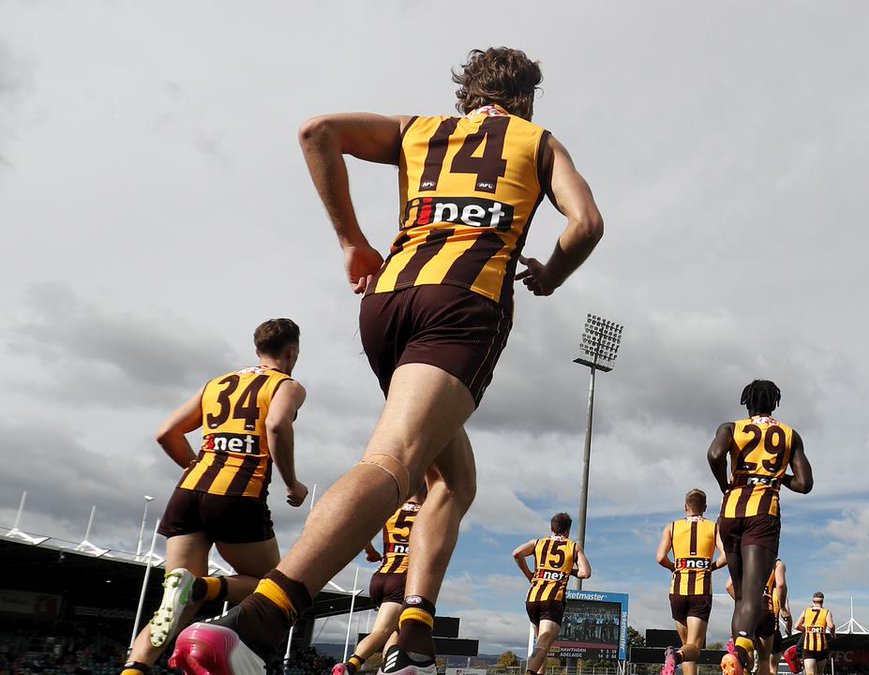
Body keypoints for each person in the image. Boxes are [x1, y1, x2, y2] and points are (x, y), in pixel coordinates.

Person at [171, 46, 603, 675]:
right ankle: (258, 621)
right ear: (527, 98)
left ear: (467, 94)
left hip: (387, 303)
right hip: (462, 303)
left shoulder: (417, 131)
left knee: (453, 483)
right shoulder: (536, 140)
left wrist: (352, 241)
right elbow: (585, 222)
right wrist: (553, 273)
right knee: (394, 460)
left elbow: (317, 132)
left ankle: (416, 636)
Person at [119, 319, 308, 675]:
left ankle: (134, 668)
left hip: (188, 493)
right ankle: (203, 588)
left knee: (172, 608)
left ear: (257, 349)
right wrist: (292, 484)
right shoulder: (287, 385)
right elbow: (277, 425)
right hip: (238, 495)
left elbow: (165, 432)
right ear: (292, 351)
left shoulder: (217, 383)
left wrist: (197, 464)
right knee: (271, 586)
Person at [708, 380, 813, 675]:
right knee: (754, 592)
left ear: (747, 403)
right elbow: (805, 483)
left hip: (730, 510)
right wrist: (777, 478)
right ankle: (740, 649)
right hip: (763, 513)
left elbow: (715, 455)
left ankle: (737, 654)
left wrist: (725, 483)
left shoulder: (730, 428)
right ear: (775, 404)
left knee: (741, 595)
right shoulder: (790, 435)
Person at [331, 483, 428, 675]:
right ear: (426, 491)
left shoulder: (392, 510)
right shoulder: (426, 513)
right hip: (402, 579)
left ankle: (386, 669)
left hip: (381, 576)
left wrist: (371, 551)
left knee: (396, 632)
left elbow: (362, 531)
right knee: (381, 631)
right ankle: (349, 666)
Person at [655, 489, 727, 675]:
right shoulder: (713, 527)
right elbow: (725, 556)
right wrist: (712, 566)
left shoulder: (672, 526)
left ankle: (677, 656)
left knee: (687, 646)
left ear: (685, 507)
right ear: (704, 507)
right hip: (700, 592)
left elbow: (660, 557)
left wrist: (673, 567)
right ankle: (675, 657)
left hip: (677, 591)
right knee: (693, 648)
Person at [514, 513, 592, 675]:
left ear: (551, 528)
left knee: (542, 646)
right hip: (553, 599)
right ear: (568, 531)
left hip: (533, 598)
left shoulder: (538, 543)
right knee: (543, 645)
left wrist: (530, 574)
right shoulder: (573, 546)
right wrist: (568, 570)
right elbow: (585, 573)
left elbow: (517, 553)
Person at [726, 559, 789, 675]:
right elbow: (780, 585)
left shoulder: (744, 560)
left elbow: (729, 585)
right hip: (766, 611)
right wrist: (784, 608)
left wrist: (743, 602)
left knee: (743, 660)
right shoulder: (776, 564)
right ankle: (747, 656)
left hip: (746, 612)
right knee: (764, 660)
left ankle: (745, 658)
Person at [788, 592, 834, 675]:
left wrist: (806, 630)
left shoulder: (806, 611)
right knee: (819, 673)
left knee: (810, 673)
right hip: (821, 647)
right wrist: (833, 634)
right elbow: (831, 626)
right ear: (822, 602)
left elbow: (796, 626)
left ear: (813, 601)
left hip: (808, 647)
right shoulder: (826, 612)